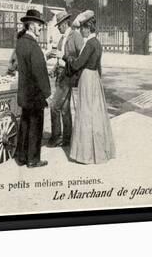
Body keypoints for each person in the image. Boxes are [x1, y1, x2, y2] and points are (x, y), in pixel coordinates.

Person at [64, 10, 116, 164]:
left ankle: (86, 154)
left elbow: (78, 64)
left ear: (88, 28)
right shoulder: (97, 44)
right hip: (94, 79)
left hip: (87, 78)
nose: (81, 31)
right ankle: (98, 151)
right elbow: (99, 67)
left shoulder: (89, 44)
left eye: (82, 29)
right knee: (95, 114)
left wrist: (68, 58)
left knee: (86, 113)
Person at [15, 9, 51, 168]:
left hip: (24, 92)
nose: (40, 28)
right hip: (35, 94)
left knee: (25, 124)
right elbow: (40, 72)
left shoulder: (21, 42)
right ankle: (33, 159)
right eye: (38, 24)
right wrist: (47, 93)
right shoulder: (33, 46)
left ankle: (21, 157)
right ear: (30, 25)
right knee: (35, 126)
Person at [45, 11, 84, 148]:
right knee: (65, 108)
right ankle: (67, 138)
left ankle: (56, 137)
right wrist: (54, 67)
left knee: (54, 106)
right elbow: (60, 59)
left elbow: (81, 58)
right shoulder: (62, 38)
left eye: (59, 25)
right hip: (60, 74)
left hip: (67, 76)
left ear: (65, 23)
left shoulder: (76, 36)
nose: (58, 28)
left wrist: (74, 71)